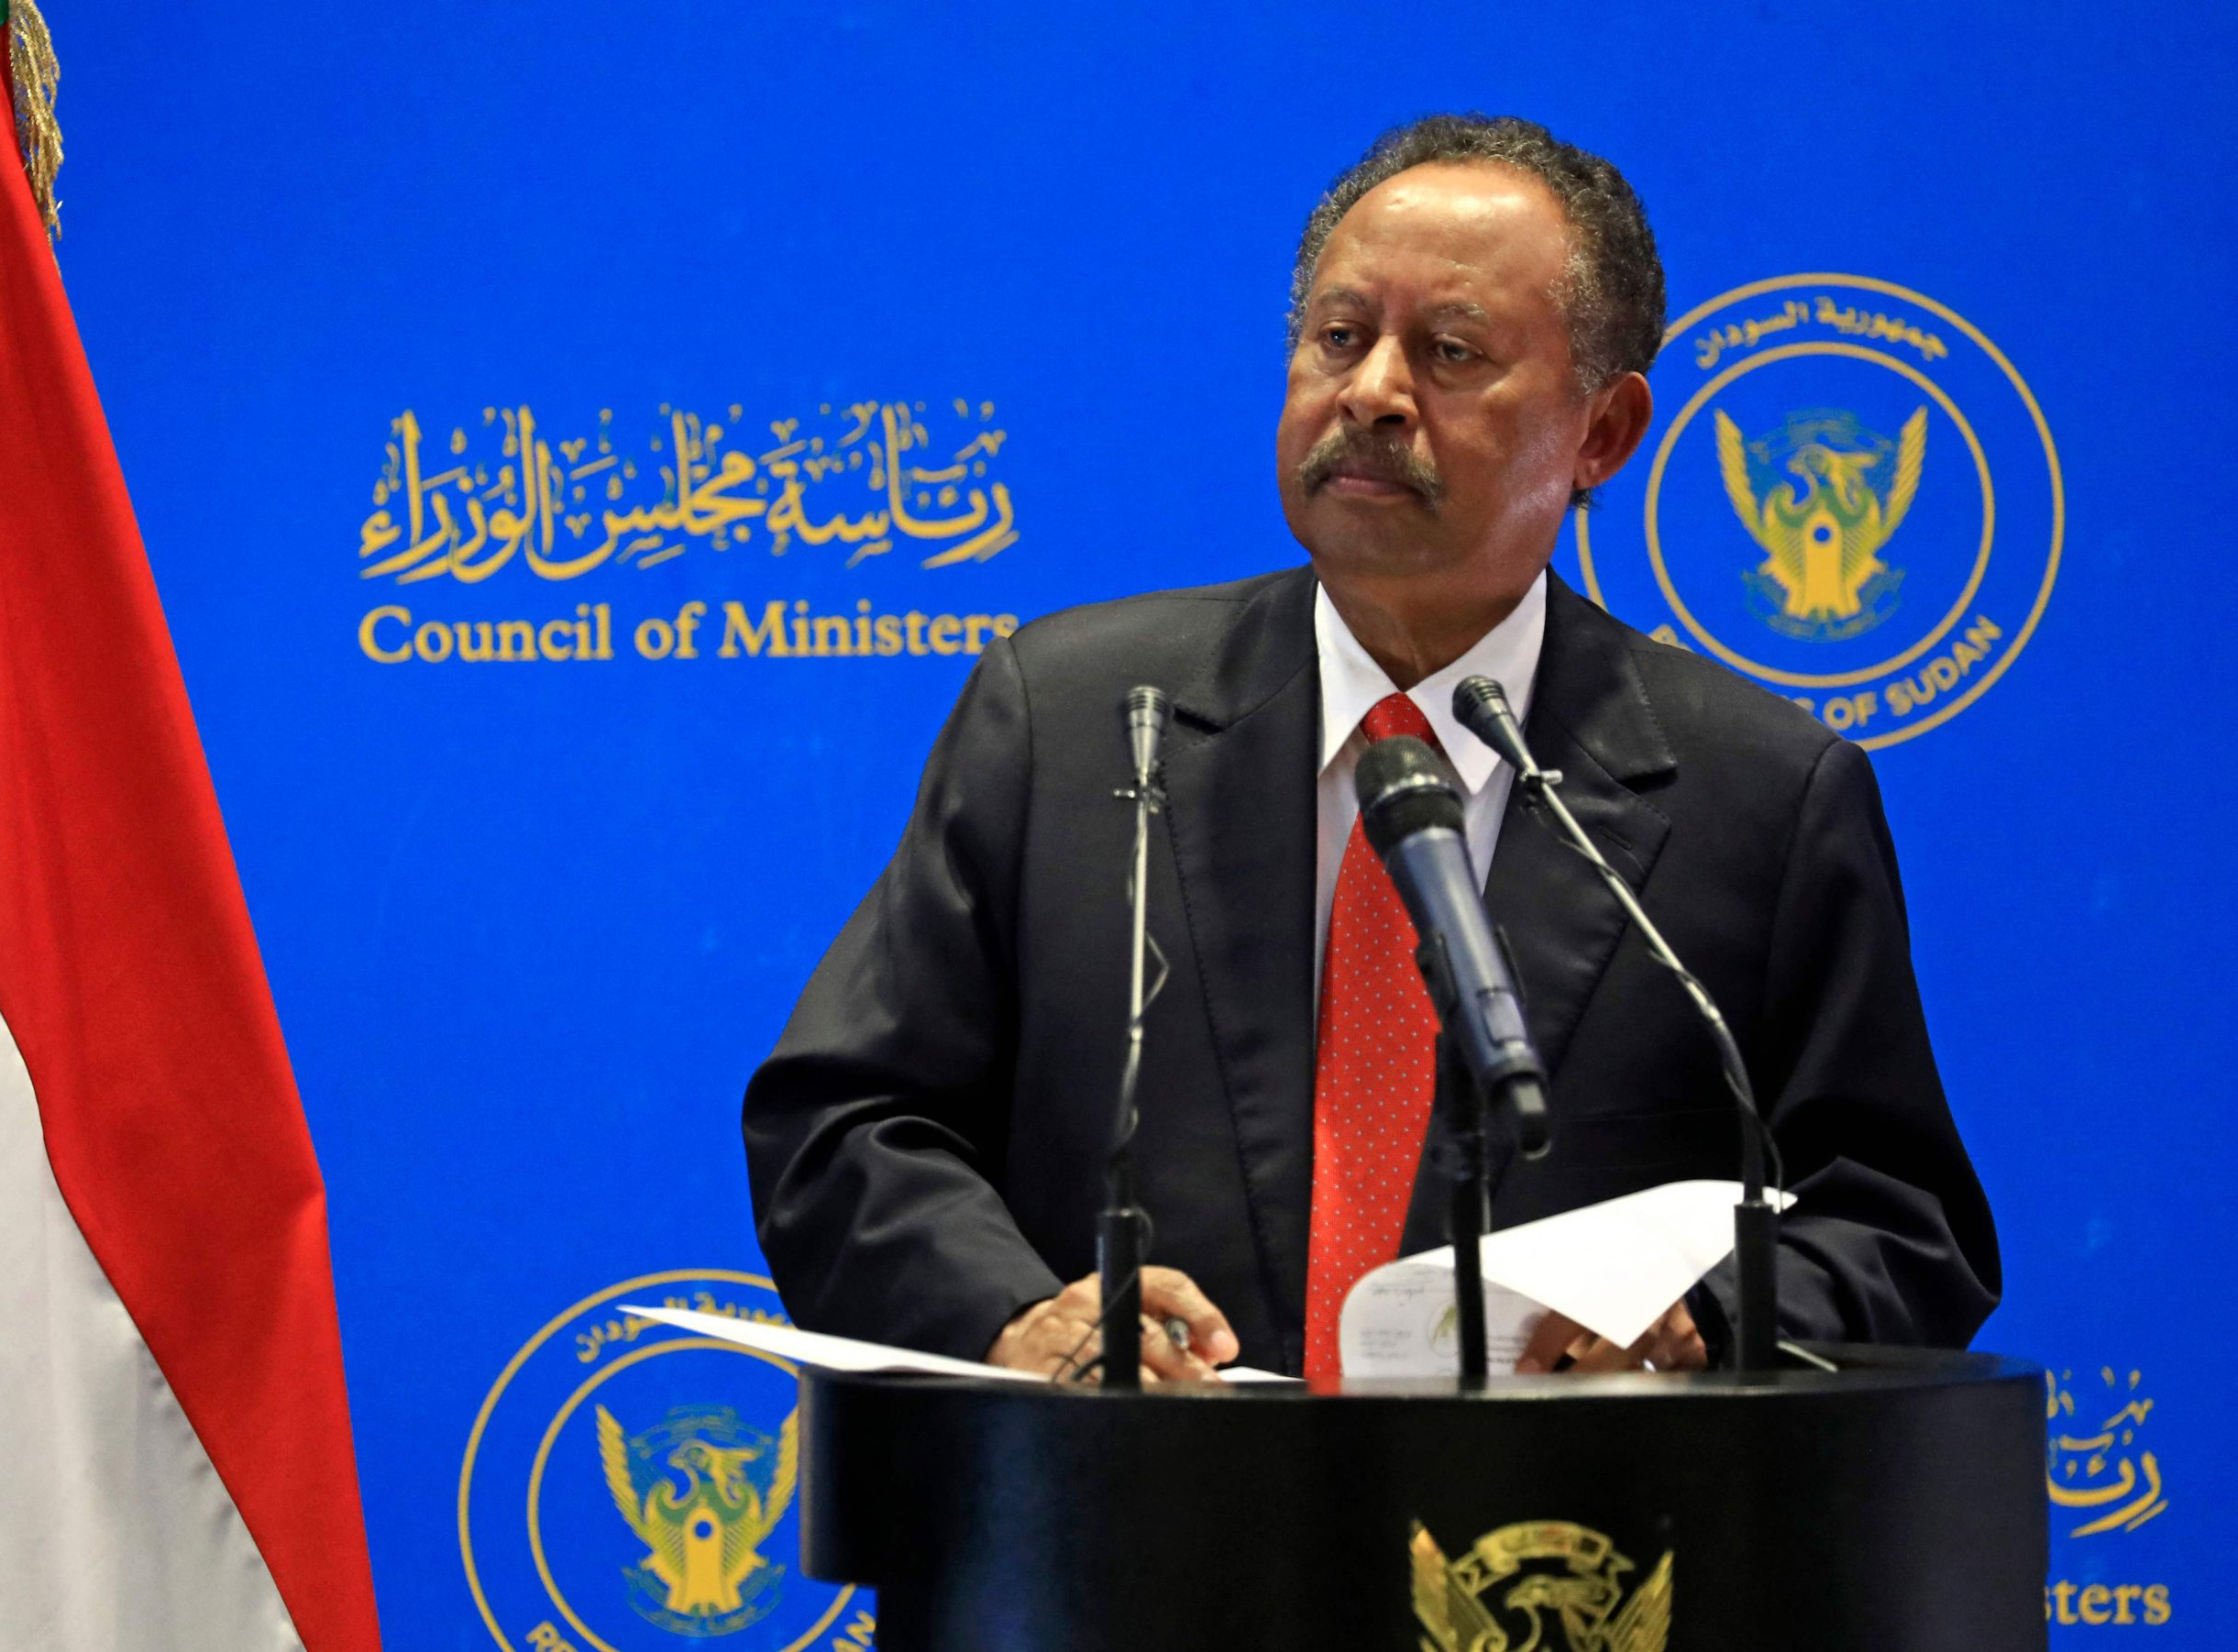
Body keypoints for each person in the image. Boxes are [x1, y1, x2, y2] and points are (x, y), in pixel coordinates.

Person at [741, 114, 1999, 1383]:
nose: (1373, 393)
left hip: (1560, 1507)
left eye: (1451, 352)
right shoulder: (1067, 718)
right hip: (1129, 1494)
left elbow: (1899, 1219)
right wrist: (1016, 1316)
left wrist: (1705, 1317)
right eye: (1340, 338)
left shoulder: (1760, 794)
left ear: (1604, 434)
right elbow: (845, 1121)